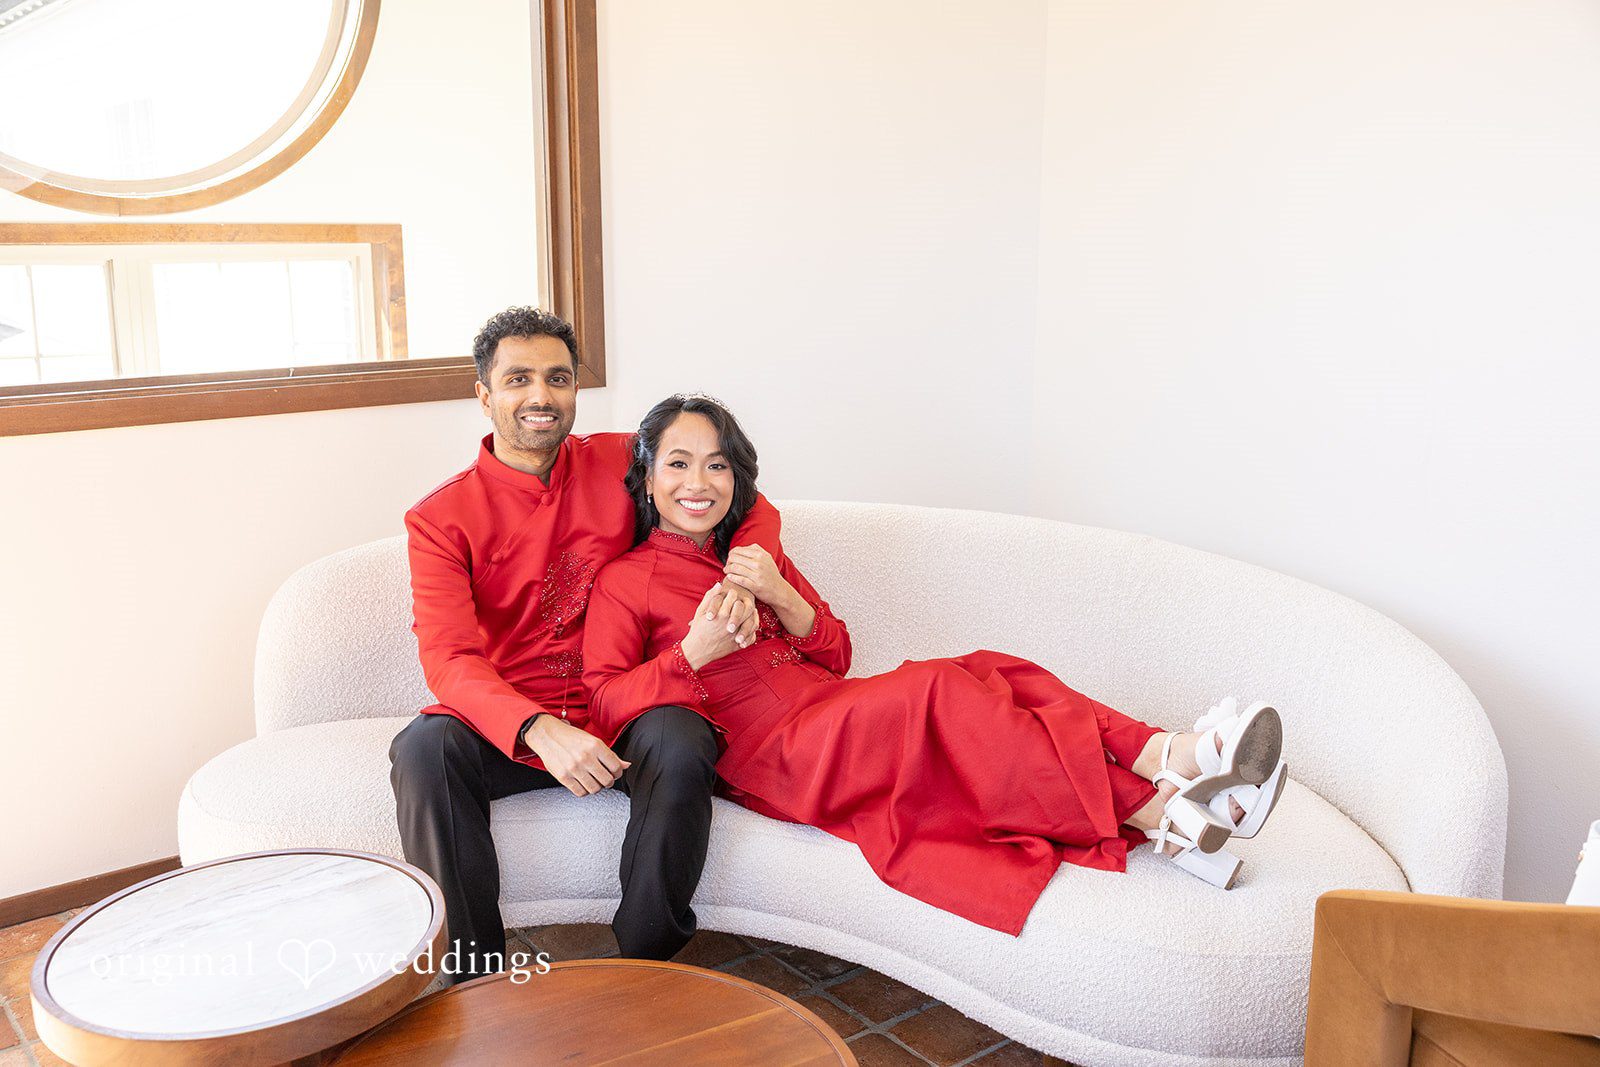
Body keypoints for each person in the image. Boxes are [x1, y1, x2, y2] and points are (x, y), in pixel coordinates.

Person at [581, 394, 1291, 935]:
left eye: (717, 464)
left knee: (991, 668)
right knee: (937, 688)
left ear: (737, 476)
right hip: (775, 754)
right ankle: (1173, 787)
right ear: (647, 479)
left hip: (830, 708)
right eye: (677, 463)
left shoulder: (755, 559)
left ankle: (1175, 775)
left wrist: (780, 593)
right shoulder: (625, 580)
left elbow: (836, 649)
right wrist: (689, 657)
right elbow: (605, 703)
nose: (698, 481)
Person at [388, 311, 786, 982]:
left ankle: (644, 965)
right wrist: (537, 728)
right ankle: (473, 979)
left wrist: (747, 576)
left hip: (624, 698)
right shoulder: (440, 518)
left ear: (576, 390)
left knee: (684, 739)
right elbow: (449, 659)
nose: (540, 396)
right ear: (485, 395)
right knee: (424, 749)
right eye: (518, 379)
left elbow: (745, 500)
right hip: (515, 722)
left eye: (558, 378)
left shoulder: (619, 458)